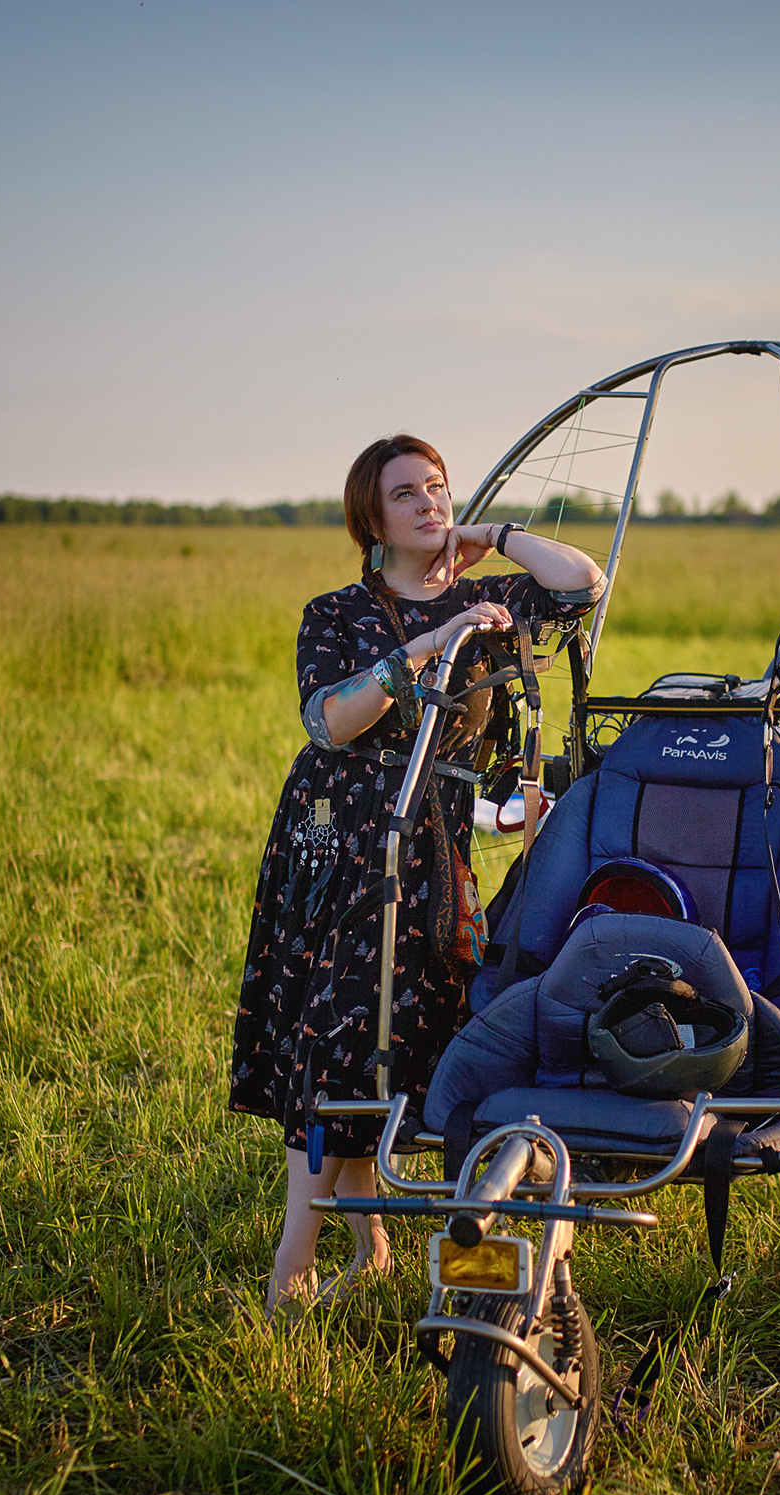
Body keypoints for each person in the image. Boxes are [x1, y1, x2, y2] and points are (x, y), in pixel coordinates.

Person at [228, 434, 605, 1309]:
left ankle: (384, 1249)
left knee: (415, 1044)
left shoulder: (492, 598)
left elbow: (584, 583)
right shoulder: (335, 614)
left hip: (436, 845)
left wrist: (495, 532)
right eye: (408, 495)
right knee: (337, 1046)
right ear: (373, 516)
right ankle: (296, 1267)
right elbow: (330, 723)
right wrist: (435, 640)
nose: (429, 503)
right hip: (340, 842)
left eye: (438, 488)